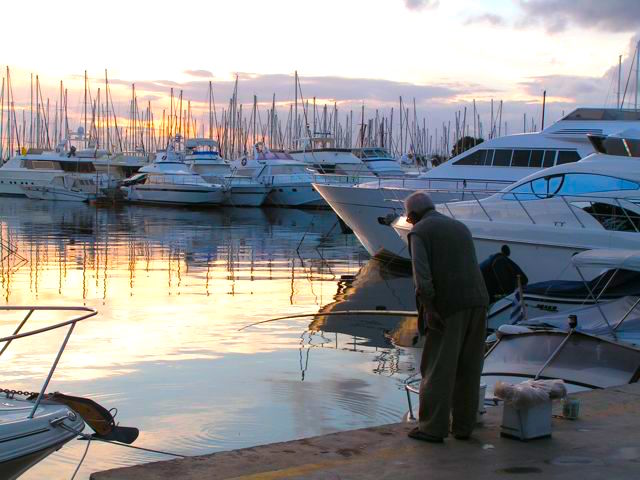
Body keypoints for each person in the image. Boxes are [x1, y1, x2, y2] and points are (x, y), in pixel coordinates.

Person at [405, 191, 489, 443]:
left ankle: (432, 428)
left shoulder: (419, 232)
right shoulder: (460, 227)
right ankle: (463, 427)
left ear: (411, 216)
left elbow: (423, 278)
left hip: (448, 307)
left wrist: (430, 310)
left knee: (438, 368)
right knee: (469, 368)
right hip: (478, 302)